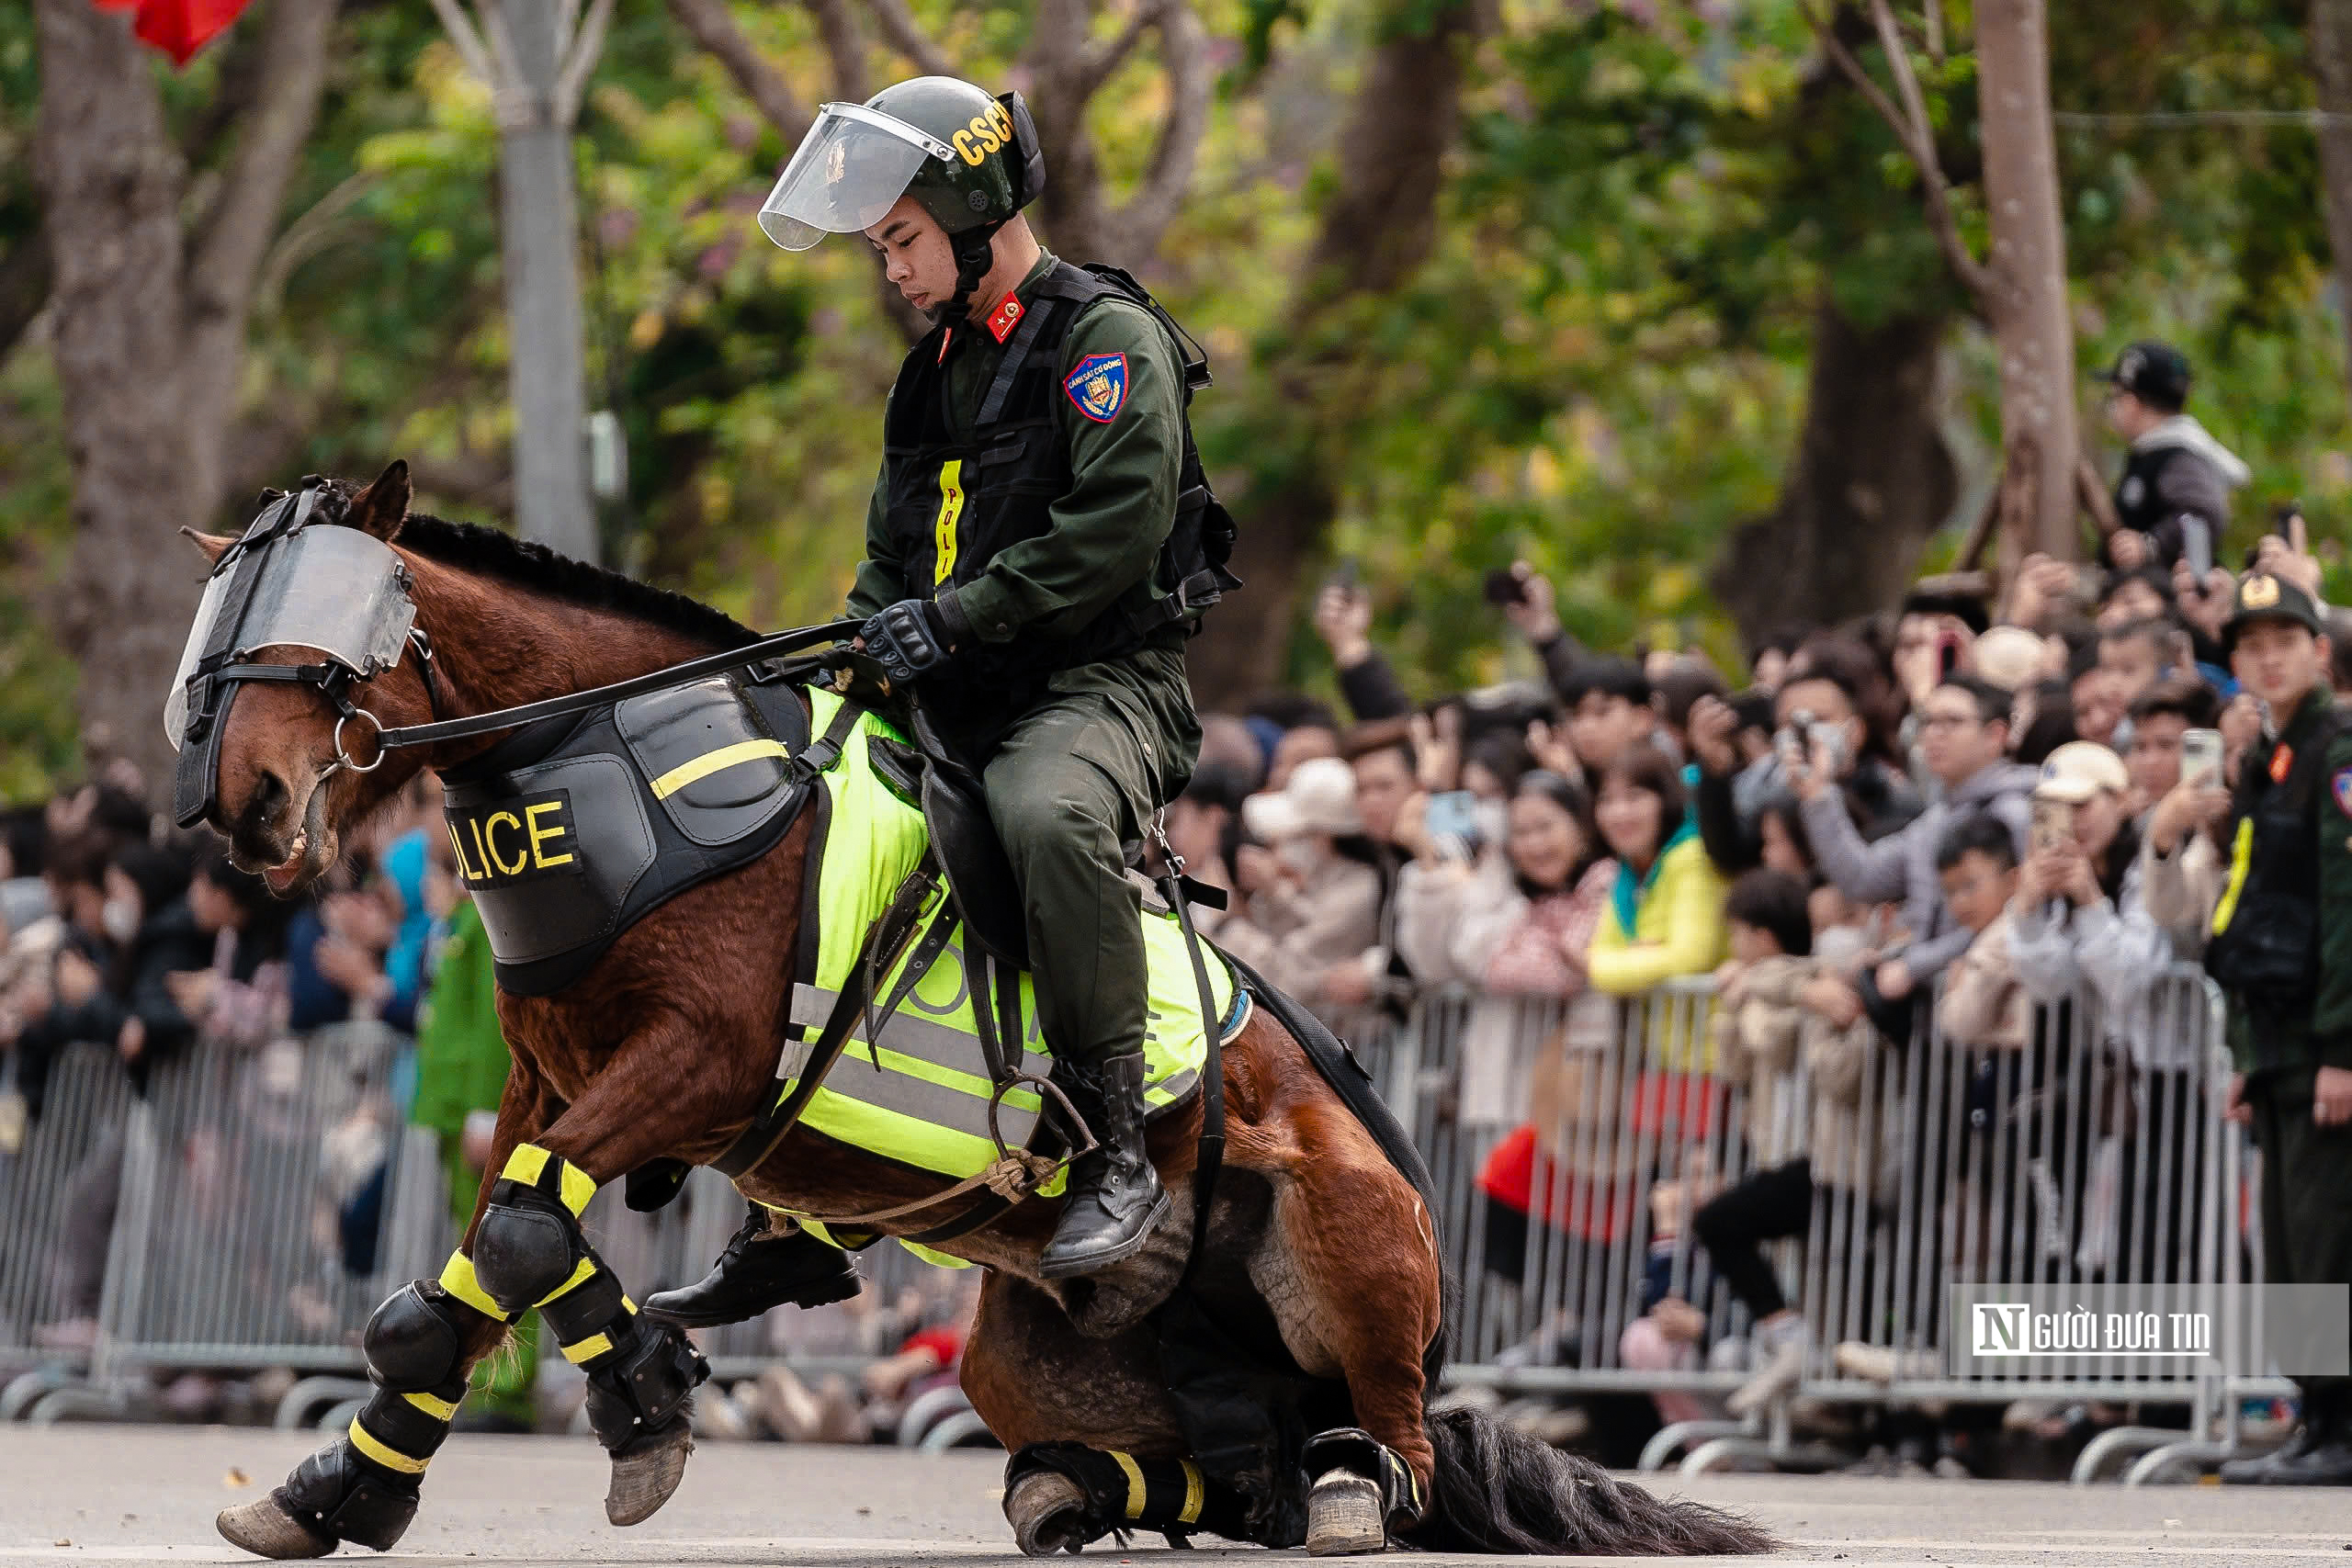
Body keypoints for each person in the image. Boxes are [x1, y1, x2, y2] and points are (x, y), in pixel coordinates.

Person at [658, 74, 1228, 1324]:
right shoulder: (931, 376)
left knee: (1042, 816)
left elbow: (1116, 535)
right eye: (879, 251)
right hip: (953, 680)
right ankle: (790, 1207)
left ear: (977, 218)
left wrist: (955, 618)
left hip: (1100, 686)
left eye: (902, 242)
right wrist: (851, 645)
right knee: (799, 824)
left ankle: (1117, 1140)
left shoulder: (1107, 343)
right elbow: (887, 552)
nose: (893, 273)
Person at [2199, 573, 2352, 1484]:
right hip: (2279, 1046)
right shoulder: (2270, 761)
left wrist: (2342, 1050)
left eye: (2281, 641)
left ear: (2318, 653)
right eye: (2249, 646)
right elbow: (2251, 914)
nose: (2264, 658)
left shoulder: (2337, 754)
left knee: (2329, 1235)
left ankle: (2342, 1424)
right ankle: (2314, 1417)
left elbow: (2345, 912)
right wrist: (2246, 1060)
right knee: (2291, 1245)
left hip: (2324, 1048)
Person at [1798, 675, 2036, 1018]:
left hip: (1998, 1018)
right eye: (1927, 722)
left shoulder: (2018, 814)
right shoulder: (1933, 822)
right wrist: (1818, 795)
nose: (1934, 734)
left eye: (1952, 722)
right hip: (1941, 1025)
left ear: (1995, 735)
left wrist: (1913, 966)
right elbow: (1861, 878)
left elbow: (2006, 918)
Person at [2095, 341, 2250, 575]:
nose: (2112, 407)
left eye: (2115, 397)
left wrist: (2152, 545)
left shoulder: (2177, 456)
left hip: (2172, 597)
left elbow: (2204, 513)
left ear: (2132, 402)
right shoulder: (2151, 452)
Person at [1586, 746, 1728, 999]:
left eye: (1634, 797)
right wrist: (1645, 956)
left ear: (1666, 800)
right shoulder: (1628, 871)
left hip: (1707, 1036)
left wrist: (1604, 968)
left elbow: (1691, 956)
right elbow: (1598, 951)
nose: (1619, 813)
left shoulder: (1692, 857)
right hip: (1655, 1037)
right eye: (1606, 800)